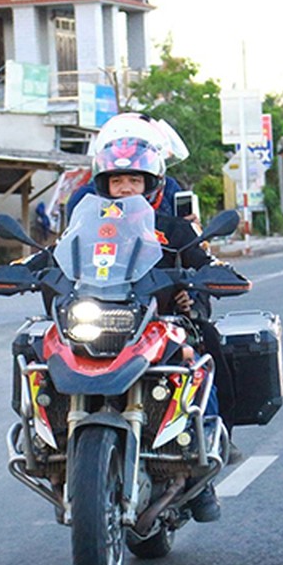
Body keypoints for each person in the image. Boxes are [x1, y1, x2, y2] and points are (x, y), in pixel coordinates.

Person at [88, 113, 232, 522]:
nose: (126, 187)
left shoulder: (174, 229)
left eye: (135, 180)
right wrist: (31, 269)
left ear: (152, 184)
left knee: (201, 359)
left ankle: (204, 463)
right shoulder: (89, 227)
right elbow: (62, 260)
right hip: (102, 322)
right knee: (35, 347)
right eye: (118, 181)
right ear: (105, 185)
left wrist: (199, 290)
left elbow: (203, 268)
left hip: (162, 324)